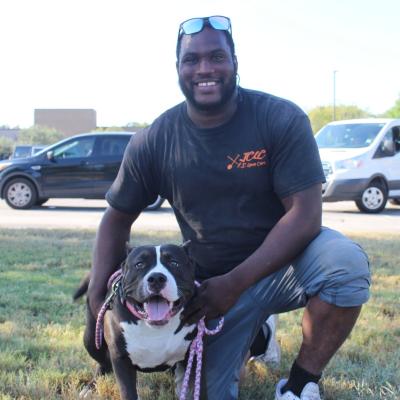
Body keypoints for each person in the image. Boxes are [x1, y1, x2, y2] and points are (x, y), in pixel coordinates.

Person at [88, 15, 370, 400]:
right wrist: (96, 302)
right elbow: (116, 218)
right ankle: (257, 334)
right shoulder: (155, 139)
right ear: (178, 69)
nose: (205, 69)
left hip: (284, 265)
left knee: (345, 264)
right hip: (211, 287)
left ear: (235, 62)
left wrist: (235, 285)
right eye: (192, 60)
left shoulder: (280, 118)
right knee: (200, 394)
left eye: (217, 57)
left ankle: (301, 385)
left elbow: (306, 215)